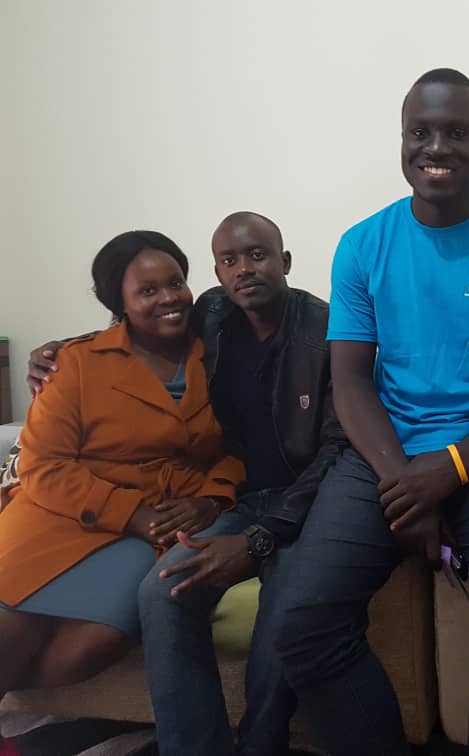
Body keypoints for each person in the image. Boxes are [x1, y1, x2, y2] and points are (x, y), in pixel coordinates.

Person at [265, 68, 469, 756]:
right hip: (386, 451)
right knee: (301, 623)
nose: (436, 147)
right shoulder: (363, 244)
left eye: (456, 132)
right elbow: (350, 383)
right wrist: (403, 483)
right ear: (402, 141)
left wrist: (452, 467)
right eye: (421, 132)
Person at [26, 212, 346, 756]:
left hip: (304, 504)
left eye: (258, 255)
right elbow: (132, 327)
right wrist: (57, 348)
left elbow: (338, 448)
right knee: (164, 589)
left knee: (286, 607)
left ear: (286, 261)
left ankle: (261, 744)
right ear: (217, 274)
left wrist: (260, 538)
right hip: (237, 498)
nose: (244, 270)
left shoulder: (327, 332)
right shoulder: (213, 316)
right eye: (229, 260)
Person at [0, 230, 242, 708]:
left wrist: (213, 498)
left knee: (94, 645)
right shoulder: (75, 363)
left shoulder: (221, 354)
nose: (168, 298)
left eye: (175, 283)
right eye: (148, 290)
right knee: (13, 633)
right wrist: (130, 514)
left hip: (154, 530)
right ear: (121, 302)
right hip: (59, 516)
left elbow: (243, 446)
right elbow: (44, 466)